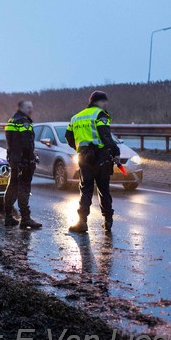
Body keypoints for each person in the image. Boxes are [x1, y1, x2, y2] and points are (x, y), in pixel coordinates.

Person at [65, 91, 121, 233]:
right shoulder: (100, 115)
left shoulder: (76, 117)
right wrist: (115, 152)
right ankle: (108, 220)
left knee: (85, 190)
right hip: (101, 157)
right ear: (99, 101)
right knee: (103, 189)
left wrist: (80, 148)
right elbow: (105, 136)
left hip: (84, 158)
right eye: (104, 101)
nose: (106, 104)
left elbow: (68, 136)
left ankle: (82, 223)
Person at [3, 100, 42, 228]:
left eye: (31, 107)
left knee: (12, 187)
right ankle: (25, 218)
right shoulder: (24, 122)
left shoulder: (11, 121)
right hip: (24, 161)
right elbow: (26, 144)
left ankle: (8, 217)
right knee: (24, 189)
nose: (31, 109)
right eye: (28, 107)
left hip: (14, 159)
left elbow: (12, 143)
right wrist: (30, 158)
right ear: (21, 108)